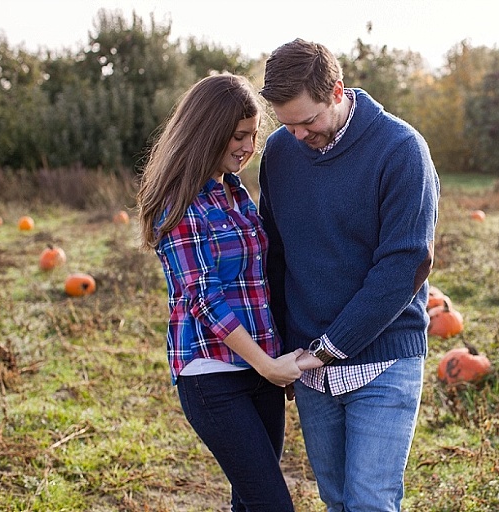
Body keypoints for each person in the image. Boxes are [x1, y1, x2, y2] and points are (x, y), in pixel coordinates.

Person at [258, 39, 440, 511]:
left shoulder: (400, 150)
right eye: (287, 124)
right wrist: (283, 349)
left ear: (337, 91)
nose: (298, 134)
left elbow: (405, 266)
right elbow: (275, 255)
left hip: (382, 362)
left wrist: (330, 347)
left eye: (308, 121)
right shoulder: (279, 153)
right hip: (309, 369)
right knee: (336, 500)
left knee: (370, 502)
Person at [136, 73, 302, 512]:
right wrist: (267, 364)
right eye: (238, 136)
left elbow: (260, 280)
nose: (249, 147)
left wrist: (275, 359)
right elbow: (203, 298)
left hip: (261, 366)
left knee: (248, 503)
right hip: (213, 375)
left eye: (253, 135)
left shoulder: (235, 192)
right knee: (271, 505)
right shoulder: (179, 202)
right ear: (208, 132)